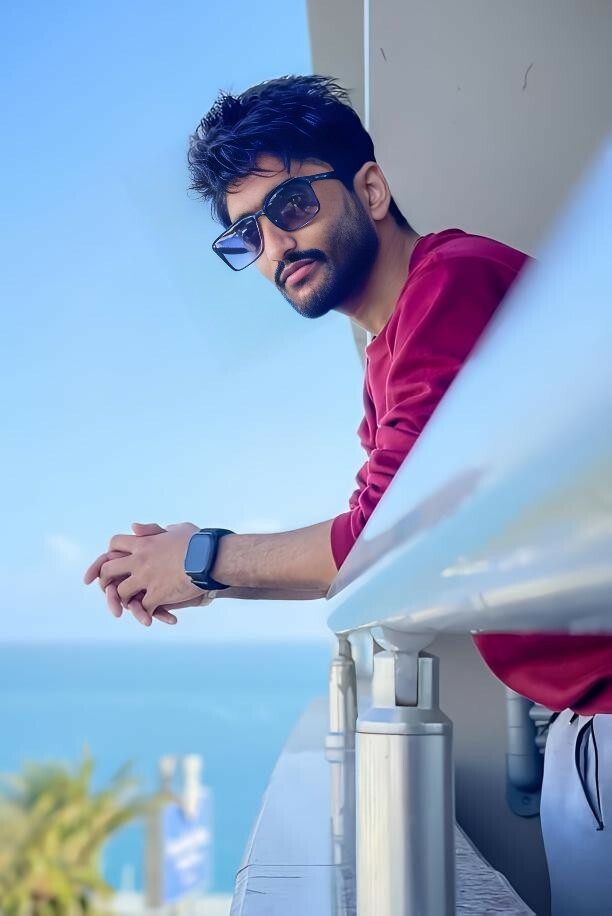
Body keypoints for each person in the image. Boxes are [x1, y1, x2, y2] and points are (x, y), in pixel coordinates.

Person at [83, 75, 612, 914]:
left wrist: (201, 559)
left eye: (291, 205)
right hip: (583, 723)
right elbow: (385, 551)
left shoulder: (452, 284)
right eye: (246, 234)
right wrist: (197, 566)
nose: (274, 245)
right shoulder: (387, 353)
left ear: (370, 189)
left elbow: (385, 538)